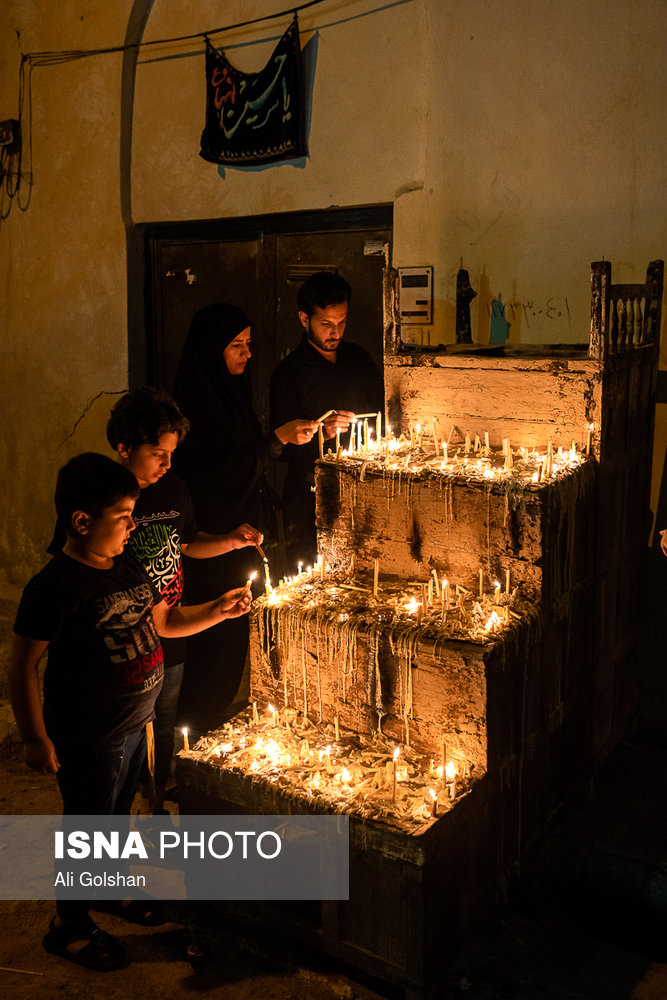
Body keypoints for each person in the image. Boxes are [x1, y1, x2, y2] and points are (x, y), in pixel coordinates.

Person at [8, 453, 251, 971]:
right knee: (88, 825)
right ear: (81, 522)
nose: (132, 525)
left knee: (116, 818)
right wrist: (35, 738)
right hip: (88, 733)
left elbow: (163, 622)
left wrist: (217, 611)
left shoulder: (130, 567)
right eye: (122, 517)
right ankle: (66, 925)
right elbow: (23, 666)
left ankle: (106, 889)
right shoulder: (55, 587)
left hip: (133, 726)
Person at [106, 387, 263, 813]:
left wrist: (230, 541)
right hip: (124, 643)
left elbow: (187, 543)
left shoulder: (174, 489)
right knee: (127, 734)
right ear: (124, 448)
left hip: (172, 632)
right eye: (158, 452)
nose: (167, 463)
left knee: (166, 722)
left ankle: (155, 803)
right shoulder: (103, 500)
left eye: (172, 453)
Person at [171, 303, 317, 732]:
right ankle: (189, 739)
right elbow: (215, 472)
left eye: (248, 344)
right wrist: (274, 441)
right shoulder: (194, 405)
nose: (247, 354)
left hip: (238, 536)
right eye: (236, 346)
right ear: (212, 350)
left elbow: (244, 458)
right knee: (211, 647)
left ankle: (206, 729)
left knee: (234, 636)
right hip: (210, 541)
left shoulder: (231, 395)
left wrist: (282, 440)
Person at [270, 270, 384, 569]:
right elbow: (280, 450)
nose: (336, 332)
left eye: (342, 322)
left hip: (363, 491)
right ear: (304, 319)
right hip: (309, 495)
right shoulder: (289, 374)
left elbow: (385, 418)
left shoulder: (359, 360)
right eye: (326, 324)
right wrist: (324, 432)